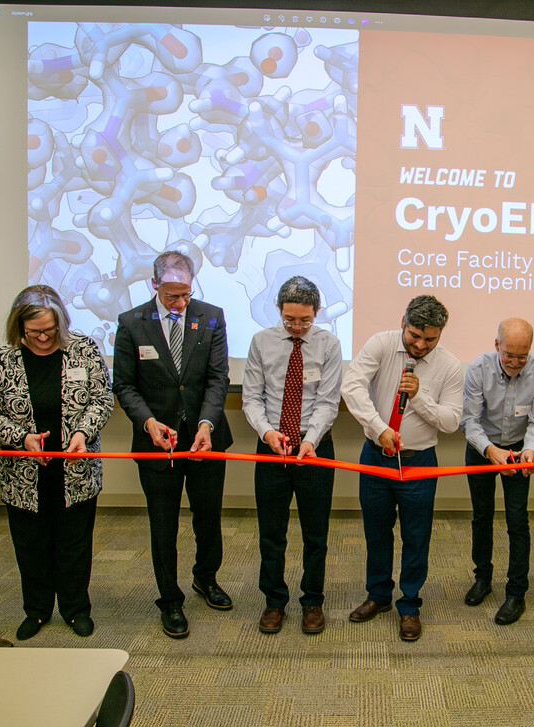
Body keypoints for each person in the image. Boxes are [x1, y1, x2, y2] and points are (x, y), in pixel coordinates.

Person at [0, 285, 113, 641]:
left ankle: (75, 609)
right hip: (24, 473)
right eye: (34, 332)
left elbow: (101, 400)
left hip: (76, 469)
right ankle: (36, 611)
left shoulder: (83, 350)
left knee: (74, 543)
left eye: (50, 331)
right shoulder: (3, 361)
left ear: (61, 324)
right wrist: (22, 438)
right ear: (18, 327)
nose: (42, 338)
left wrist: (82, 433)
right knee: (31, 545)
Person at [113, 250, 234, 639]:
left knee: (207, 517)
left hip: (205, 440)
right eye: (171, 296)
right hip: (155, 443)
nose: (180, 303)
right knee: (163, 525)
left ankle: (206, 578)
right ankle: (170, 599)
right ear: (155, 285)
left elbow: (218, 379)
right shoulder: (131, 323)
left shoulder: (211, 315)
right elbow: (125, 385)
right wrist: (148, 421)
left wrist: (205, 424)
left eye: (185, 294)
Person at [340, 295, 463, 641]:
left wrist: (420, 396)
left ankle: (409, 605)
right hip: (376, 456)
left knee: (416, 536)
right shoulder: (381, 344)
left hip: (419, 462)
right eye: (414, 336)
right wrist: (379, 428)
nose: (421, 345)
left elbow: (452, 421)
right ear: (403, 323)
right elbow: (352, 387)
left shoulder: (449, 366)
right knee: (377, 531)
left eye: (430, 339)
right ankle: (378, 596)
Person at [242, 276, 342, 635]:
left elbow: (328, 401)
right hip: (272, 446)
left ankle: (312, 601)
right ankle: (273, 601)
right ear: (279, 311)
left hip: (314, 447)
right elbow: (251, 397)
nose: (297, 327)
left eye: (304, 320)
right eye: (289, 320)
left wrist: (310, 439)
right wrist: (268, 433)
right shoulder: (261, 342)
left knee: (315, 533)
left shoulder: (329, 345)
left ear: (316, 312)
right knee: (271, 531)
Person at [460, 318, 534, 625]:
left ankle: (516, 593)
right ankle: (483, 578)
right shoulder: (477, 368)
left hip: (518, 450)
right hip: (482, 448)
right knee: (481, 515)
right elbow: (470, 421)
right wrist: (489, 450)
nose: (515, 362)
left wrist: (530, 450)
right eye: (509, 355)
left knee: (517, 520)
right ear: (497, 345)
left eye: (522, 356)